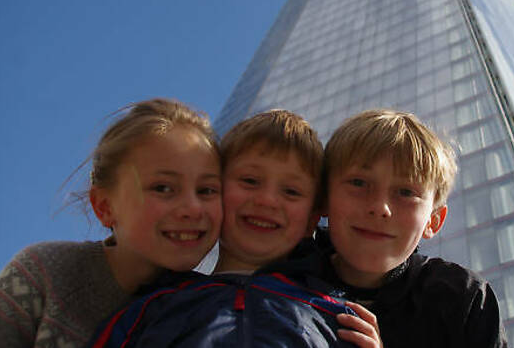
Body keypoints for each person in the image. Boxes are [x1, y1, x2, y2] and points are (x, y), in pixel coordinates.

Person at [89, 110, 380, 348]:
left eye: (291, 191)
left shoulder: (338, 316)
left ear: (312, 219)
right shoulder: (151, 306)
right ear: (215, 192)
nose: (266, 200)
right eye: (250, 181)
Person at [0, 98, 223, 348]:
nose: (192, 208)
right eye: (163, 187)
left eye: (208, 190)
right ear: (105, 206)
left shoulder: (214, 308)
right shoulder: (45, 272)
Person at [295, 109, 507, 348]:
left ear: (433, 221)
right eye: (359, 183)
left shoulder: (462, 300)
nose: (379, 207)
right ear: (324, 199)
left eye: (406, 192)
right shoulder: (285, 273)